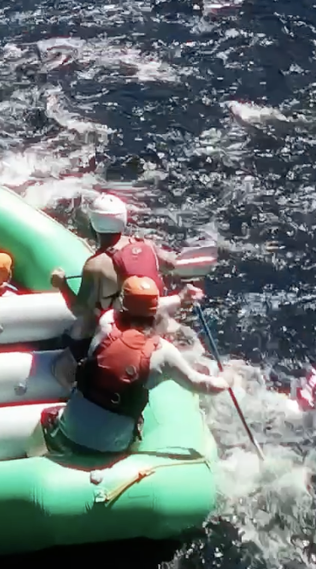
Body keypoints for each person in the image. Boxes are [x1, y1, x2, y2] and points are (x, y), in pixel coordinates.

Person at [47, 276, 233, 454]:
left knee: (54, 415)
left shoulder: (106, 324)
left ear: (121, 305)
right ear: (153, 313)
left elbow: (134, 309)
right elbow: (203, 384)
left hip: (70, 430)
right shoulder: (164, 353)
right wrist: (226, 379)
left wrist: (178, 298)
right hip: (112, 445)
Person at [64, 192, 197, 347]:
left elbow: (79, 309)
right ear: (124, 220)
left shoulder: (95, 265)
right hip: (157, 325)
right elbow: (173, 265)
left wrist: (61, 284)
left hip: (120, 337)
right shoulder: (148, 246)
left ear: (93, 224)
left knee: (77, 331)